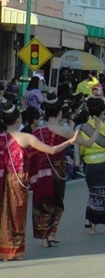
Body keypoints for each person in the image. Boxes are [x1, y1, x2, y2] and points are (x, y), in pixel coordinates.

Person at [0, 98, 77, 260]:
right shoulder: (26, 138)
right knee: (17, 214)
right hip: (18, 180)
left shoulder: (2, 137)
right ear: (19, 119)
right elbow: (51, 150)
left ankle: (4, 248)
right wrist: (70, 141)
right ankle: (14, 251)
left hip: (4, 178)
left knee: (4, 213)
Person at [30, 94, 74, 247]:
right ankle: (52, 233)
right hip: (58, 169)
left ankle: (43, 237)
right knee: (57, 202)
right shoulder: (65, 132)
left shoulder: (37, 132)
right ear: (60, 112)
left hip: (41, 171)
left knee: (42, 203)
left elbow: (31, 154)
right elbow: (85, 142)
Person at [74, 98, 105, 235]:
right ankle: (93, 225)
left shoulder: (81, 127)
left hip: (89, 166)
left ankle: (89, 218)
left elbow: (78, 148)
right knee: (102, 194)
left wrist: (77, 161)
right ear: (102, 111)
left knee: (93, 194)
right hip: (104, 164)